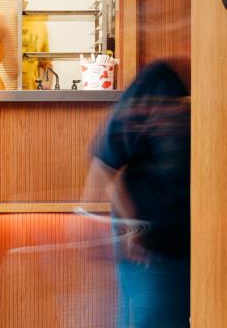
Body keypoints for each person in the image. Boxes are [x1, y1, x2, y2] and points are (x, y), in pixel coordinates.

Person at [84, 57, 190, 328]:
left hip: (197, 249)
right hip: (152, 250)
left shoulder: (211, 91)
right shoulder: (158, 82)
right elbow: (105, 163)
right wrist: (128, 225)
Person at [4, 0, 52, 90]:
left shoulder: (38, 23)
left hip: (30, 99)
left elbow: (46, 62)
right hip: (0, 96)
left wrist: (47, 84)